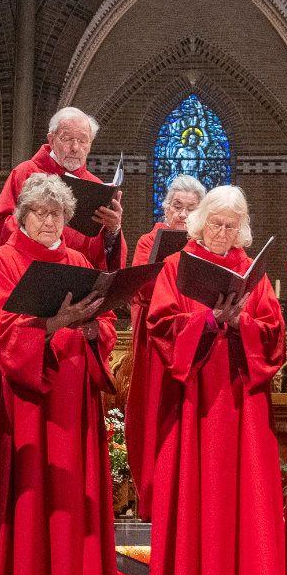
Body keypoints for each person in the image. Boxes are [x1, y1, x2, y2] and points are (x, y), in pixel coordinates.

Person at [0, 173, 119, 575]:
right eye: (41, 212)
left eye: (58, 214)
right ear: (23, 216)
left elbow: (107, 320)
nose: (50, 221)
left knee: (75, 494)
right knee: (24, 495)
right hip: (23, 398)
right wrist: (55, 324)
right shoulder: (1, 260)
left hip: (73, 396)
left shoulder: (77, 259)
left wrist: (93, 327)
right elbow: (0, 326)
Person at [143, 185, 287, 575]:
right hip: (195, 400)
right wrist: (206, 320)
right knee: (195, 493)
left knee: (248, 496)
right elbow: (160, 325)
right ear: (200, 222)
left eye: (231, 225)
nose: (223, 232)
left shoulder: (252, 273)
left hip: (242, 397)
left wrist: (239, 321)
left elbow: (273, 331)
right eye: (216, 223)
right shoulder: (174, 266)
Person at [127, 174, 205, 521]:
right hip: (158, 342)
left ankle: (192, 496)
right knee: (156, 415)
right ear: (165, 206)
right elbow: (141, 287)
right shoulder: (149, 241)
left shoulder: (207, 244)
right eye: (177, 207)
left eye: (192, 209)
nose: (184, 215)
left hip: (197, 339)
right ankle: (155, 499)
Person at [0, 107, 123, 268]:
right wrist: (32, 220)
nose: (75, 148)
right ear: (52, 139)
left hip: (77, 274)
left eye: (82, 141)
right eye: (67, 139)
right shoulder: (25, 172)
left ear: (90, 145)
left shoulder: (96, 186)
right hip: (28, 271)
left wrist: (112, 230)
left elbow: (103, 260)